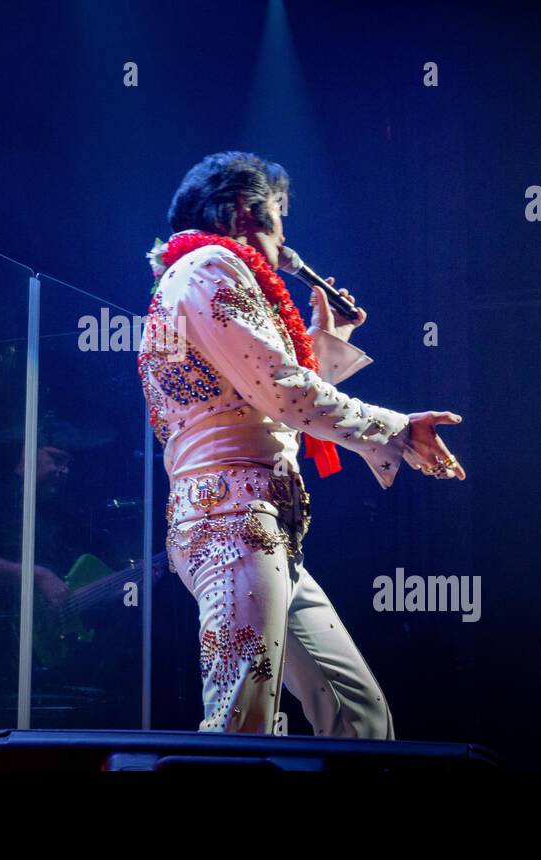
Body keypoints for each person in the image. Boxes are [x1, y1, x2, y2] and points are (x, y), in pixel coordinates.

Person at [138, 151, 465, 737]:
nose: (287, 240)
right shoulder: (209, 269)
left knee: (357, 715)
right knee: (242, 723)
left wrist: (325, 339)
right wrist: (394, 427)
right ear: (246, 210)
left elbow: (259, 394)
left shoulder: (201, 274)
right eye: (280, 219)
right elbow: (286, 395)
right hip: (232, 521)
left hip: (259, 526)